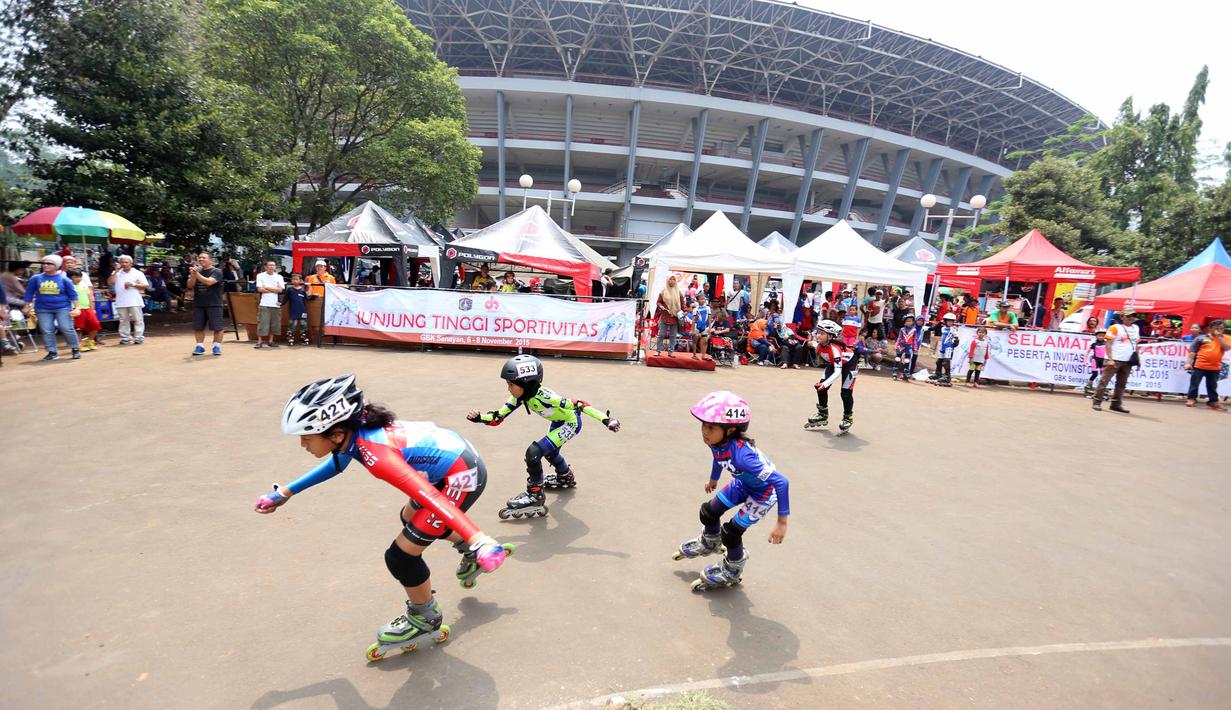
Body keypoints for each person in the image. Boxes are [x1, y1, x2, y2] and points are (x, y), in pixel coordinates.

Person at [253, 374, 513, 660]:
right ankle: (469, 551)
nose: (302, 444)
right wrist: (286, 492)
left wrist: (480, 539)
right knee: (410, 518)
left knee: (400, 556)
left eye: (306, 437)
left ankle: (424, 618)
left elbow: (432, 498)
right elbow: (337, 465)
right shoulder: (354, 434)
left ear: (336, 434)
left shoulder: (377, 455)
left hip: (461, 475)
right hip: (450, 461)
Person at [466, 355, 620, 518]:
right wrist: (479, 418)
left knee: (534, 452)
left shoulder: (545, 397)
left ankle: (535, 495)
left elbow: (580, 404)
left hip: (570, 422)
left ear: (526, 383)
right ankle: (565, 476)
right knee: (550, 452)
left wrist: (606, 419)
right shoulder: (520, 397)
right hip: (558, 421)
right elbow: (498, 418)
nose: (508, 388)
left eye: (511, 384)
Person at [675, 391, 789, 591]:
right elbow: (719, 457)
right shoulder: (717, 442)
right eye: (703, 425)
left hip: (763, 494)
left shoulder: (743, 457)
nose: (705, 431)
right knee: (708, 512)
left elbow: (782, 482)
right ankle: (710, 542)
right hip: (743, 484)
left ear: (730, 430)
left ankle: (733, 569)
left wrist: (781, 523)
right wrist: (713, 479)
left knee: (731, 532)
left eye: (711, 426)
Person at [22, 254, 80, 361]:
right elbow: (29, 293)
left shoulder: (64, 279)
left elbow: (73, 295)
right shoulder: (36, 278)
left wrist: (77, 308)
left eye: (49, 263)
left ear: (56, 265)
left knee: (66, 328)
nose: (45, 265)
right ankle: (52, 352)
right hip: (42, 308)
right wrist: (27, 305)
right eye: (44, 263)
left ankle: (75, 348)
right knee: (47, 330)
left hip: (62, 307)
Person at [806, 320, 859, 432]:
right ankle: (822, 414)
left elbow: (837, 372)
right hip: (834, 364)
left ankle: (848, 417)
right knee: (820, 388)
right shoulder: (820, 345)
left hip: (849, 365)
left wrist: (825, 384)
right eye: (818, 332)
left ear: (830, 336)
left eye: (822, 333)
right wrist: (810, 343)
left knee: (845, 393)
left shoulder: (834, 349)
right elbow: (815, 344)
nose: (818, 335)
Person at [1091, 311, 1140, 413]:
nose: (1131, 318)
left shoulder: (1136, 328)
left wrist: (1138, 360)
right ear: (1122, 317)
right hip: (1115, 358)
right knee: (1104, 381)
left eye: (1133, 316)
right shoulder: (1115, 328)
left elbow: (1136, 344)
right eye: (1129, 316)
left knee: (1122, 383)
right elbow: (1108, 343)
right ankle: (1097, 402)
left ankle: (1116, 404)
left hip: (1128, 360)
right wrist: (1110, 359)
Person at [1185, 320, 1230, 410]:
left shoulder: (1226, 338)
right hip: (1199, 365)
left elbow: (1226, 348)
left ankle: (1213, 402)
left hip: (1215, 366)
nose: (1219, 330)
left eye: (1221, 328)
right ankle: (1191, 399)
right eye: (1216, 328)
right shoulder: (1201, 338)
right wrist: (1188, 363)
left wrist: (1220, 337)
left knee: (1212, 385)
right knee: (1194, 383)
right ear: (1210, 329)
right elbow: (1192, 352)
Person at [188, 252, 226, 356]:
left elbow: (209, 282)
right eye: (199, 258)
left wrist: (197, 274)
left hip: (214, 303)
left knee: (217, 327)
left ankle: (216, 346)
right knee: (198, 326)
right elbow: (190, 285)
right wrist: (193, 276)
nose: (201, 260)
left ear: (210, 260)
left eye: (204, 258)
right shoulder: (197, 271)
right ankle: (200, 346)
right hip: (199, 303)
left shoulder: (217, 271)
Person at [108, 255, 148, 345]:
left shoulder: (137, 273)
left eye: (126, 262)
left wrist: (133, 284)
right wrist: (116, 271)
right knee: (123, 320)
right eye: (122, 262)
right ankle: (125, 337)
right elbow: (110, 282)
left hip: (134, 300)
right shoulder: (117, 273)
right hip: (121, 300)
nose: (124, 264)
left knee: (138, 319)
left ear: (131, 263)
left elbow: (145, 285)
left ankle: (138, 336)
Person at [254, 260, 285, 349]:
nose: (272, 267)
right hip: (264, 303)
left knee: (274, 323)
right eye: (270, 265)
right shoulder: (260, 275)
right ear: (265, 267)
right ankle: (259, 341)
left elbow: (280, 290)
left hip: (275, 303)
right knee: (262, 322)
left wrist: (266, 287)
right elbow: (260, 289)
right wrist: (274, 289)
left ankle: (270, 341)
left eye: (273, 265)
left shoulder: (279, 277)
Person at [67, 269, 101, 352]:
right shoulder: (68, 285)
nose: (78, 279)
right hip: (76, 309)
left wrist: (92, 308)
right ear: (71, 277)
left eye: (80, 277)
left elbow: (89, 297)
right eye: (76, 277)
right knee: (78, 328)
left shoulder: (84, 284)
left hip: (87, 308)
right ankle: (78, 344)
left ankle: (89, 341)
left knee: (95, 325)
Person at [655, 274, 684, 355]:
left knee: (673, 336)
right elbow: (658, 302)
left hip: (675, 316)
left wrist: (685, 311)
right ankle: (658, 351)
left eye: (673, 279)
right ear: (667, 281)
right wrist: (660, 306)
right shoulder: (663, 291)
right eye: (670, 279)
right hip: (665, 315)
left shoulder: (679, 292)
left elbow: (682, 302)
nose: (672, 281)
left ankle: (671, 352)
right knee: (661, 334)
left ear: (676, 281)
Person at [283, 273, 312, 345]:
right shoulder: (290, 289)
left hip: (303, 310)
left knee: (304, 324)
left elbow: (307, 298)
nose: (295, 281)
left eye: (297, 279)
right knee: (293, 324)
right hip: (293, 310)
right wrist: (281, 303)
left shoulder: (303, 290)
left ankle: (303, 337)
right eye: (293, 279)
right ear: (291, 280)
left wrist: (311, 293)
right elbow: (285, 299)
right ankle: (290, 337)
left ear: (300, 281)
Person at [933, 312, 960, 386]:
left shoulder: (953, 330)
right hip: (942, 346)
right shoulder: (943, 328)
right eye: (949, 321)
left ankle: (947, 376)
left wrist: (956, 342)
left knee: (946, 362)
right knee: (939, 361)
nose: (950, 323)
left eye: (952, 321)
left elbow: (956, 337)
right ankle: (938, 373)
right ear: (945, 321)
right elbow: (936, 329)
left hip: (949, 347)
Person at [893, 314, 919, 381]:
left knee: (907, 359)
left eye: (910, 321)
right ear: (904, 322)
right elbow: (899, 338)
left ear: (913, 322)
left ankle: (906, 371)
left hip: (908, 346)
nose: (909, 322)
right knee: (898, 358)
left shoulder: (914, 330)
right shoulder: (902, 329)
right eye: (907, 321)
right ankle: (895, 371)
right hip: (901, 345)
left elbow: (915, 339)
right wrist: (896, 344)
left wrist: (915, 347)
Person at [1084, 330, 1107, 396]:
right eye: (1099, 336)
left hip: (1103, 360)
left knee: (1103, 375)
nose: (1101, 337)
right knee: (1095, 374)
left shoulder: (1106, 343)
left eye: (1103, 336)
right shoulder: (1094, 344)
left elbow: (1110, 351)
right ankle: (1088, 386)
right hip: (1095, 360)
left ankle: (1102, 388)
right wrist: (1085, 360)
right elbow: (1087, 352)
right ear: (1096, 336)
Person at [692, 294, 713, 359]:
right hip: (697, 327)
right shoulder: (695, 309)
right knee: (695, 341)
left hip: (704, 327)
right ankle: (694, 355)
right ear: (697, 300)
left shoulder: (708, 308)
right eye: (701, 299)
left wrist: (710, 327)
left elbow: (709, 318)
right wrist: (692, 329)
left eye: (704, 299)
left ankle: (703, 355)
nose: (703, 300)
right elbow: (694, 320)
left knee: (705, 342)